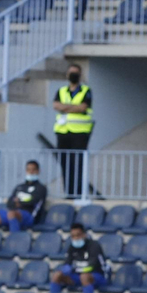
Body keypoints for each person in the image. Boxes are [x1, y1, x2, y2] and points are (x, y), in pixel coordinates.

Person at [53, 65, 94, 199]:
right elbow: (56, 105)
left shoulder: (86, 91)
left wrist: (65, 107)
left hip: (80, 132)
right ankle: (69, 193)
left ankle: (78, 192)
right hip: (63, 132)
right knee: (65, 163)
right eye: (71, 72)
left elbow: (83, 107)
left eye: (75, 73)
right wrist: (73, 107)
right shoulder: (62, 90)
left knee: (78, 163)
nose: (73, 75)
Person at [0, 160, 49, 232]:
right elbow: (10, 202)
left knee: (12, 214)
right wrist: (17, 203)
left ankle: (14, 240)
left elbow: (33, 202)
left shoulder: (41, 188)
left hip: (29, 215)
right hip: (12, 213)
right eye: (28, 169)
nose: (30, 172)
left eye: (33, 170)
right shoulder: (19, 187)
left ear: (38, 171)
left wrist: (19, 202)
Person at [48, 223, 110, 292]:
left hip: (98, 276)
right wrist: (66, 268)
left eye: (78, 235)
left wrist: (74, 269)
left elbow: (91, 266)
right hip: (79, 276)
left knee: (84, 277)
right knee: (57, 275)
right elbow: (67, 263)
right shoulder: (72, 247)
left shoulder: (94, 246)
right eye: (73, 236)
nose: (76, 238)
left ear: (84, 235)